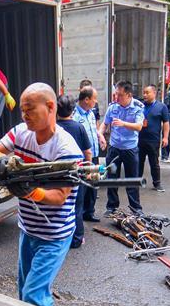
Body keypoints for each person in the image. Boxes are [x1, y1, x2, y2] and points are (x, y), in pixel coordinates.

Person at [0, 83, 83, 306]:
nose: (25, 115)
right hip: (28, 229)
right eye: (22, 111)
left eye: (30, 110)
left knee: (33, 296)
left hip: (54, 235)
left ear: (49, 107)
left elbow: (58, 197)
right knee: (23, 290)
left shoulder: (66, 149)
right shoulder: (20, 132)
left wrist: (30, 191)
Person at [99, 80, 145, 214]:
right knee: (112, 179)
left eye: (119, 95)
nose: (116, 97)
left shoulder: (137, 107)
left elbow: (139, 126)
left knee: (132, 180)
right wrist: (100, 134)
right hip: (114, 149)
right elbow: (104, 124)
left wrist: (123, 123)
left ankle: (136, 208)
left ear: (129, 95)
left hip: (130, 149)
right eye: (115, 94)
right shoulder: (113, 107)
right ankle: (111, 207)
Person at [56, 94, 93, 249]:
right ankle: (77, 239)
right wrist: (89, 169)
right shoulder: (79, 127)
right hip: (77, 173)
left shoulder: (53, 128)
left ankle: (59, 236)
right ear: (72, 110)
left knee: (59, 205)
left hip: (57, 173)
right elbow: (88, 151)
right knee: (77, 206)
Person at [74, 86, 105, 221]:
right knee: (82, 187)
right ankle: (79, 215)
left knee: (93, 184)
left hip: (94, 154)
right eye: (94, 98)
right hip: (83, 158)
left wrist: (100, 136)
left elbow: (94, 129)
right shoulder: (74, 115)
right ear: (86, 99)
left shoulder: (91, 113)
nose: (96, 101)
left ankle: (89, 212)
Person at [139, 84, 170, 192]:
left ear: (154, 93)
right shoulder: (140, 106)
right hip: (140, 139)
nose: (145, 95)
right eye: (144, 93)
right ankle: (137, 181)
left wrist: (165, 137)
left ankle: (157, 183)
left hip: (153, 140)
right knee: (139, 162)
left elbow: (166, 123)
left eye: (147, 93)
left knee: (154, 163)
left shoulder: (161, 107)